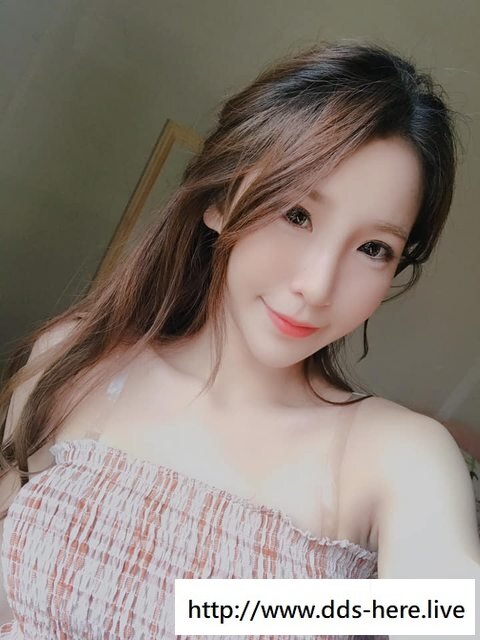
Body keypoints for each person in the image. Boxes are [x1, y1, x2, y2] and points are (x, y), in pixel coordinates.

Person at [0, 40, 478, 640]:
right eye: (296, 214)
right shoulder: (76, 361)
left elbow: (447, 609)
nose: (316, 285)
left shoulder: (397, 456)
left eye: (373, 248)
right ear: (220, 201)